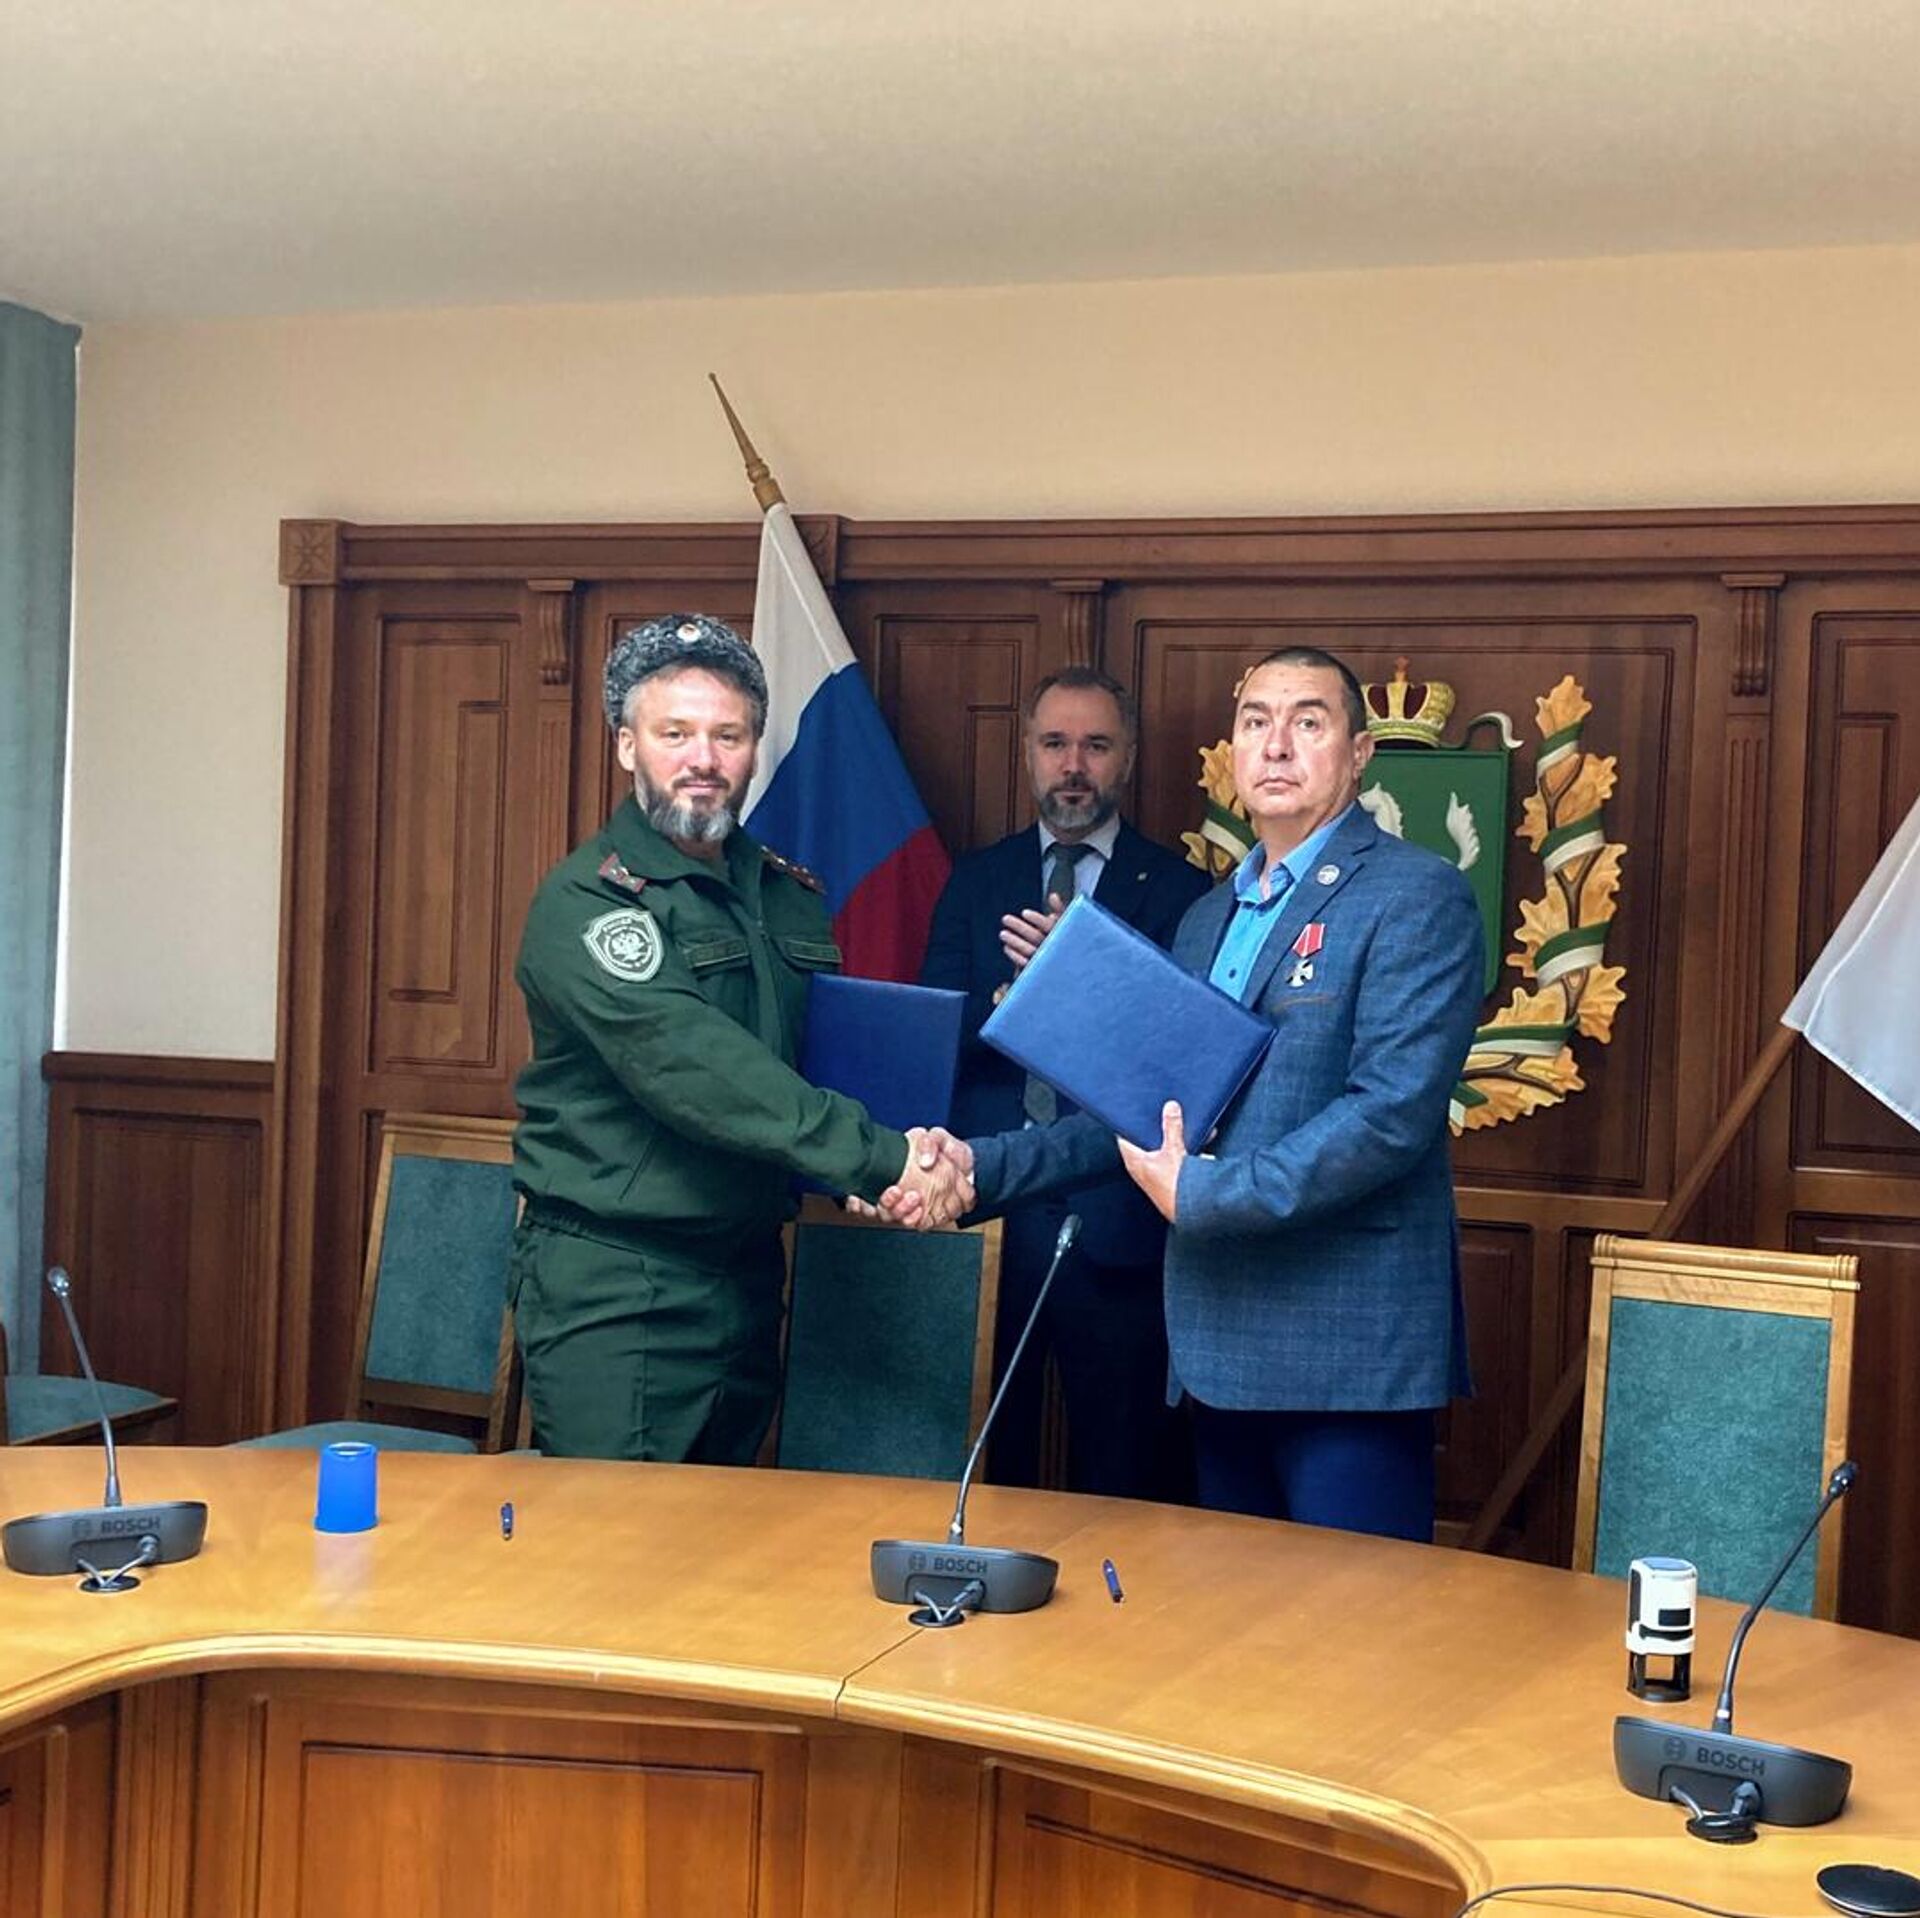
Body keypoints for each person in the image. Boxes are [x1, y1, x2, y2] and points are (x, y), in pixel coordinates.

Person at [892, 647, 1485, 1542]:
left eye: (1308, 722)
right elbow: (1140, 1109)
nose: (1277, 745)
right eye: (1256, 722)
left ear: (1360, 753)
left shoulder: (1416, 894)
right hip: (1216, 1346)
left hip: (1343, 1352)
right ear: (1231, 752)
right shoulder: (1210, 917)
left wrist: (1207, 1193)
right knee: (1233, 1621)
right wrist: (977, 1168)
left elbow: (1390, 1115)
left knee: (1358, 1621)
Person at [510, 613, 961, 1462]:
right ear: (626, 746)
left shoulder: (788, 895)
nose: (704, 759)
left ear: (755, 750)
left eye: (729, 735)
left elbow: (811, 1062)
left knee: (727, 1535)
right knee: (617, 1535)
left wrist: (872, 1166)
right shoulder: (591, 903)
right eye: (674, 733)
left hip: (750, 1272)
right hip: (621, 1285)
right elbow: (694, 1066)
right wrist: (880, 1159)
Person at [919, 666, 1209, 1500]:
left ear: (1129, 758)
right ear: (1027, 754)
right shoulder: (976, 879)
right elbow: (936, 1035)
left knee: (1124, 1475)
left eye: (1095, 745)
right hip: (986, 1212)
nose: (1073, 765)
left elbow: (1172, 1061)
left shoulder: (1183, 892)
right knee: (980, 1468)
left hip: (1116, 1215)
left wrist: (1079, 985)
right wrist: (1018, 1001)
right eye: (1055, 744)